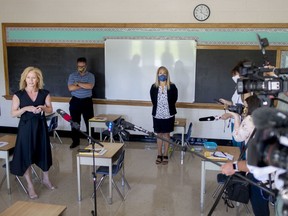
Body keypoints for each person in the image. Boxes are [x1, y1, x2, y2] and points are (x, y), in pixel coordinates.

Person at [220, 95, 271, 216]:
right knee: (263, 205)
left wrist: (236, 117)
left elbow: (238, 136)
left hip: (258, 172)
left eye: (246, 106)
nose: (244, 109)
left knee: (259, 206)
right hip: (268, 174)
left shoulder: (249, 119)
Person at [10, 67, 55, 199]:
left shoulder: (44, 93)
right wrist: (25, 108)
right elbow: (13, 113)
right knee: (26, 155)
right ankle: (30, 185)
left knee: (43, 152)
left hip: (40, 127)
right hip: (25, 128)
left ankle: (46, 179)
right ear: (25, 78)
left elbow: (50, 109)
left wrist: (42, 107)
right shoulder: (18, 95)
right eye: (28, 77)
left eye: (33, 77)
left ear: (38, 79)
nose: (31, 80)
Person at [150, 66, 178, 165]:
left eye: (164, 73)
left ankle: (165, 154)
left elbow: (174, 100)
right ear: (157, 75)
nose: (162, 75)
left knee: (166, 135)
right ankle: (159, 154)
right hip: (157, 115)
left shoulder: (172, 86)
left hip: (168, 115)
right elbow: (153, 101)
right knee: (159, 135)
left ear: (167, 75)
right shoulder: (154, 87)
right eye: (160, 73)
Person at [219, 60, 249, 149]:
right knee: (235, 147)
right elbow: (236, 103)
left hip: (241, 123)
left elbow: (246, 111)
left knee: (240, 149)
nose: (234, 77)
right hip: (234, 121)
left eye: (236, 75)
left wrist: (230, 114)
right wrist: (227, 102)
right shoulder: (238, 88)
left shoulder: (246, 90)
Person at [67, 57, 95, 149]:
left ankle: (91, 141)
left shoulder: (91, 76)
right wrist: (83, 85)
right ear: (77, 66)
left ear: (86, 66)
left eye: (82, 66)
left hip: (87, 101)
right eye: (79, 66)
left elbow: (90, 86)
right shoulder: (72, 75)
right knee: (75, 123)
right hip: (75, 101)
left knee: (89, 122)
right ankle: (75, 141)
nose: (81, 68)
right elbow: (70, 88)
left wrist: (77, 83)